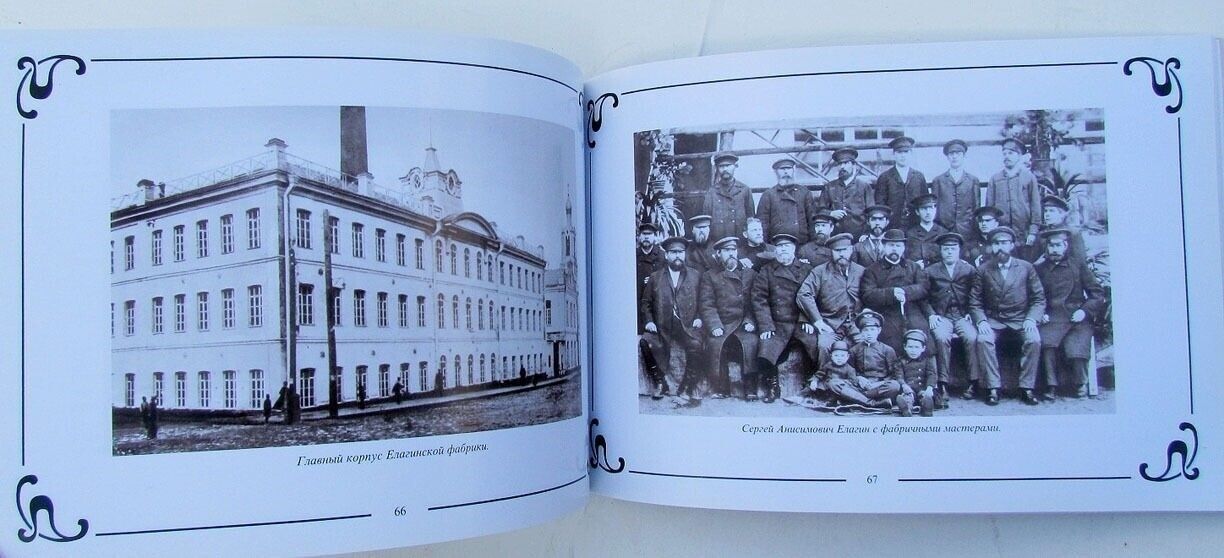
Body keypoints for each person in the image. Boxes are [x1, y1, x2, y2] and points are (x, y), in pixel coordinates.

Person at [969, 226, 1047, 406]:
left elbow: (1038, 298)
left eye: (1004, 243)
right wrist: (981, 321)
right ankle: (993, 388)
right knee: (983, 340)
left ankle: (1026, 387)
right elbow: (975, 301)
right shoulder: (983, 269)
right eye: (996, 243)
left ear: (1012, 245)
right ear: (991, 247)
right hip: (994, 319)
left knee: (1034, 339)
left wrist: (1031, 318)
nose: (1000, 248)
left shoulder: (1026, 268)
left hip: (1020, 319)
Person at [1035, 228, 1106, 400]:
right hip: (1051, 316)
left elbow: (1097, 294)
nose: (1055, 249)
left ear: (1066, 246)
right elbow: (1035, 296)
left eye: (1058, 245)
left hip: (1076, 317)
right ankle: (1051, 386)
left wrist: (1084, 311)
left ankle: (1080, 384)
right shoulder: (1040, 269)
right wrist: (1041, 312)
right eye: (1051, 245)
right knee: (1047, 344)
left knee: (1076, 347)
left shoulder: (1078, 266)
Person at [750, 233, 820, 403]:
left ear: (794, 249)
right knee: (766, 348)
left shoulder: (806, 270)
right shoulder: (767, 270)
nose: (783, 250)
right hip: (777, 323)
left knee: (814, 345)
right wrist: (766, 326)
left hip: (799, 321)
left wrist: (807, 319)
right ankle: (772, 386)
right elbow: (759, 299)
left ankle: (811, 385)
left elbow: (812, 296)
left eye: (786, 246)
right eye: (779, 247)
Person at [641, 236, 704, 405]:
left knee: (697, 345)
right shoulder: (655, 277)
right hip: (663, 326)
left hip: (687, 325)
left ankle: (687, 387)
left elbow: (704, 301)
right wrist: (649, 321)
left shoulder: (695, 275)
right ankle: (660, 383)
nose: (677, 256)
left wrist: (699, 318)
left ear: (685, 254)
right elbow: (646, 302)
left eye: (680, 252)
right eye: (673, 252)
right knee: (645, 342)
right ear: (666, 255)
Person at [919, 232, 979, 402]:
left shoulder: (968, 270)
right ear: (941, 251)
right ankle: (942, 383)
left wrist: (970, 312)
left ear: (959, 250)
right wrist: (931, 314)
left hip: (961, 315)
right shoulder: (930, 271)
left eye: (953, 249)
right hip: (941, 315)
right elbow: (923, 296)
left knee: (971, 337)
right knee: (941, 337)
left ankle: (973, 382)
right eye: (946, 249)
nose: (949, 252)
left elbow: (975, 294)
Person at [698, 236, 760, 400]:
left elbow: (756, 302)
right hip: (722, 324)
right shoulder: (710, 276)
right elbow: (707, 304)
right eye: (726, 251)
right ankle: (721, 388)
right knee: (715, 344)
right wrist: (714, 325)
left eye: (733, 250)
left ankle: (750, 388)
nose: (731, 254)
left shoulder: (750, 274)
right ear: (718, 254)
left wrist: (750, 321)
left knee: (751, 343)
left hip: (742, 324)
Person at [796, 232, 865, 363]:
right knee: (824, 346)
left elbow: (869, 294)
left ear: (851, 250)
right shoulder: (820, 272)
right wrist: (818, 321)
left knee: (866, 344)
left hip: (856, 323)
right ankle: (827, 379)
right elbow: (804, 294)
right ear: (831, 252)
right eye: (837, 251)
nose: (841, 254)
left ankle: (858, 380)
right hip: (830, 322)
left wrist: (867, 312)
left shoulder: (861, 271)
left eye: (844, 250)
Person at [860, 229, 928, 353]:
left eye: (898, 246)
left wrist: (904, 291)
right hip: (886, 312)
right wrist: (891, 293)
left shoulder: (913, 267)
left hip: (912, 310)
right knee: (891, 339)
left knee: (921, 334)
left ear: (903, 248)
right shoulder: (872, 270)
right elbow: (867, 294)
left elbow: (923, 287)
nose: (895, 249)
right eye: (891, 245)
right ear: (884, 247)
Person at [985, 138, 1042, 248]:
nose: (1007, 156)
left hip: (1023, 233)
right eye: (1004, 153)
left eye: (1011, 153)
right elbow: (989, 208)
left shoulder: (1029, 177)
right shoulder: (995, 179)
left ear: (1019, 155)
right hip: (1001, 233)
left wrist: (1033, 232)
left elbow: (1035, 206)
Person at [849, 309, 909, 412]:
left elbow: (893, 374)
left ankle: (856, 398)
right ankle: (876, 402)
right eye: (865, 330)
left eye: (872, 329)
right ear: (860, 332)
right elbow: (849, 370)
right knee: (835, 383)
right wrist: (858, 378)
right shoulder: (854, 349)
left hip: (880, 386)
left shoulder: (887, 350)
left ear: (879, 330)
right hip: (861, 385)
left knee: (895, 386)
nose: (869, 333)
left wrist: (878, 384)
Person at [816, 147, 875, 238]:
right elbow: (820, 210)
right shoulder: (829, 187)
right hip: (836, 236)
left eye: (846, 163)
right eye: (840, 164)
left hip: (859, 237)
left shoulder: (864, 187)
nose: (842, 167)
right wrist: (831, 213)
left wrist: (866, 234)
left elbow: (871, 213)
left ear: (853, 165)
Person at [814, 339, 886, 408]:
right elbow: (820, 373)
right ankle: (829, 401)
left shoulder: (850, 369)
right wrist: (814, 381)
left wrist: (842, 382)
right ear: (831, 356)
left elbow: (853, 382)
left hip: (843, 389)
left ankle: (870, 403)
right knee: (816, 389)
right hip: (828, 389)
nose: (839, 358)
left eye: (842, 356)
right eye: (836, 355)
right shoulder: (828, 365)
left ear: (847, 357)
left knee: (839, 387)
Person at [874, 136, 929, 227]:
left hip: (915, 225)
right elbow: (880, 205)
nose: (903, 155)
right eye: (899, 152)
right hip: (892, 225)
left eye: (906, 152)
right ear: (894, 155)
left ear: (911, 154)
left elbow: (924, 202)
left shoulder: (919, 177)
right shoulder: (885, 177)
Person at [930, 139, 981, 237]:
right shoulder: (938, 180)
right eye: (951, 154)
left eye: (958, 154)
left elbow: (976, 207)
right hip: (944, 230)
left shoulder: (973, 180)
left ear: (964, 156)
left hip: (967, 231)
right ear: (947, 157)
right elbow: (934, 208)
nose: (954, 157)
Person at [756, 158, 812, 244]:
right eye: (782, 169)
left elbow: (811, 219)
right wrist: (765, 245)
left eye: (789, 169)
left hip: (802, 243)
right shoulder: (769, 194)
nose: (786, 172)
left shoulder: (804, 192)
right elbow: (763, 223)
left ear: (793, 171)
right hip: (778, 243)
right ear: (776, 172)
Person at [702, 152, 756, 242]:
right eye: (721, 166)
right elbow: (706, 220)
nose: (725, 169)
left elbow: (750, 218)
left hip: (740, 241)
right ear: (717, 169)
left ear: (735, 166)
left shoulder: (744, 190)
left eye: (728, 165)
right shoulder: (712, 192)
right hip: (718, 242)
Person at [1029, 195, 1087, 265]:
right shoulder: (1041, 235)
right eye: (1045, 211)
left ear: (1062, 214)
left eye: (1051, 211)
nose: (1047, 214)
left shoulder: (1073, 233)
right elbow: (1034, 259)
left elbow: (1080, 259)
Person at [897, 329, 939, 417]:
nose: (913, 350)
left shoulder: (926, 361)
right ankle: (906, 409)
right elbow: (899, 375)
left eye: (916, 347)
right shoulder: (901, 361)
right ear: (905, 347)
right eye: (910, 347)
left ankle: (927, 408)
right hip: (909, 389)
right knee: (908, 397)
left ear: (923, 348)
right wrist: (904, 385)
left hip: (922, 389)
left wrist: (929, 388)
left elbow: (932, 374)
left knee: (925, 396)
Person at [905, 193, 948, 268]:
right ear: (917, 212)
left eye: (931, 208)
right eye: (924, 208)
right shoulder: (910, 234)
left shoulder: (944, 233)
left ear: (935, 210)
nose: (928, 212)